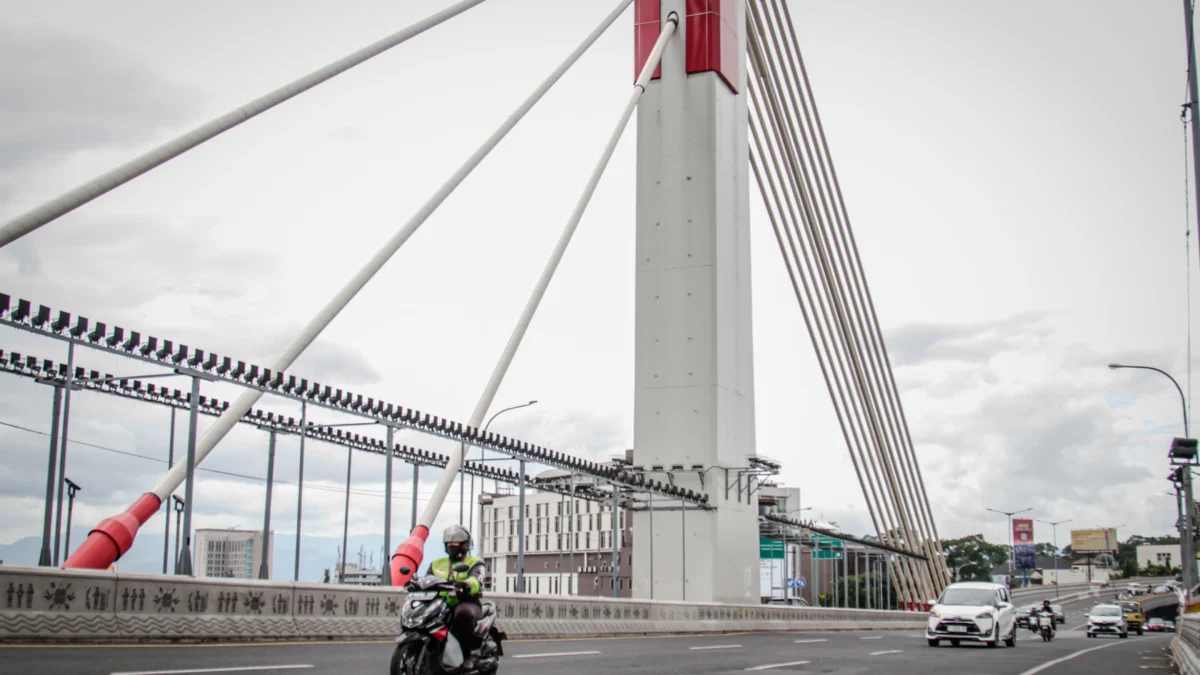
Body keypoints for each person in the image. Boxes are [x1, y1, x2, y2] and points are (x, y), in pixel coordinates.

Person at [426, 525, 486, 663]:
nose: (451, 546)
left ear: (464, 545)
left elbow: (477, 579)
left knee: (463, 614)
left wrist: (467, 584)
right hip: (439, 603)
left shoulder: (475, 562)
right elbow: (427, 579)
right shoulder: (436, 564)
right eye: (448, 544)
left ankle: (466, 655)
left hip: (466, 601)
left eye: (455, 544)